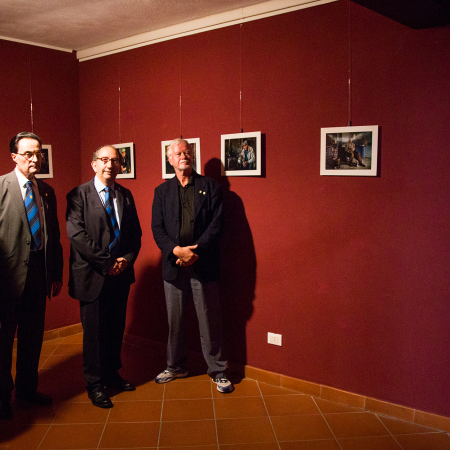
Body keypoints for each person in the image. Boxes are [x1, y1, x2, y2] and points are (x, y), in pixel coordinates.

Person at [151, 138, 233, 393]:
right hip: (173, 265)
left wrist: (195, 253)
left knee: (209, 321)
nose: (184, 156)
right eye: (178, 153)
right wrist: (175, 250)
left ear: (193, 156)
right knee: (175, 322)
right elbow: (157, 228)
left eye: (187, 152)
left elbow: (217, 224)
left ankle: (218, 371)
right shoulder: (161, 191)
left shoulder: (211, 186)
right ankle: (176, 366)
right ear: (170, 159)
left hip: (203, 264)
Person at [66, 145, 142, 408]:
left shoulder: (125, 194)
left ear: (120, 166)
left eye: (115, 160)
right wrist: (108, 263)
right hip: (92, 275)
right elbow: (77, 236)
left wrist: (126, 260)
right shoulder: (78, 195)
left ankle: (111, 374)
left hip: (120, 275)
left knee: (115, 328)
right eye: (105, 160)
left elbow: (135, 234)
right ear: (94, 164)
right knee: (94, 334)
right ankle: (94, 384)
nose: (110, 165)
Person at [0, 132, 63, 420]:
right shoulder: (2, 186)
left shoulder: (46, 191)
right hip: (7, 278)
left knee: (32, 336)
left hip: (38, 275)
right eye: (28, 154)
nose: (35, 159)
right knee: (3, 341)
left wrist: (55, 272)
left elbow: (54, 236)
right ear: (14, 156)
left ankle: (27, 388)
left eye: (38, 153)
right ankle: (2, 396)